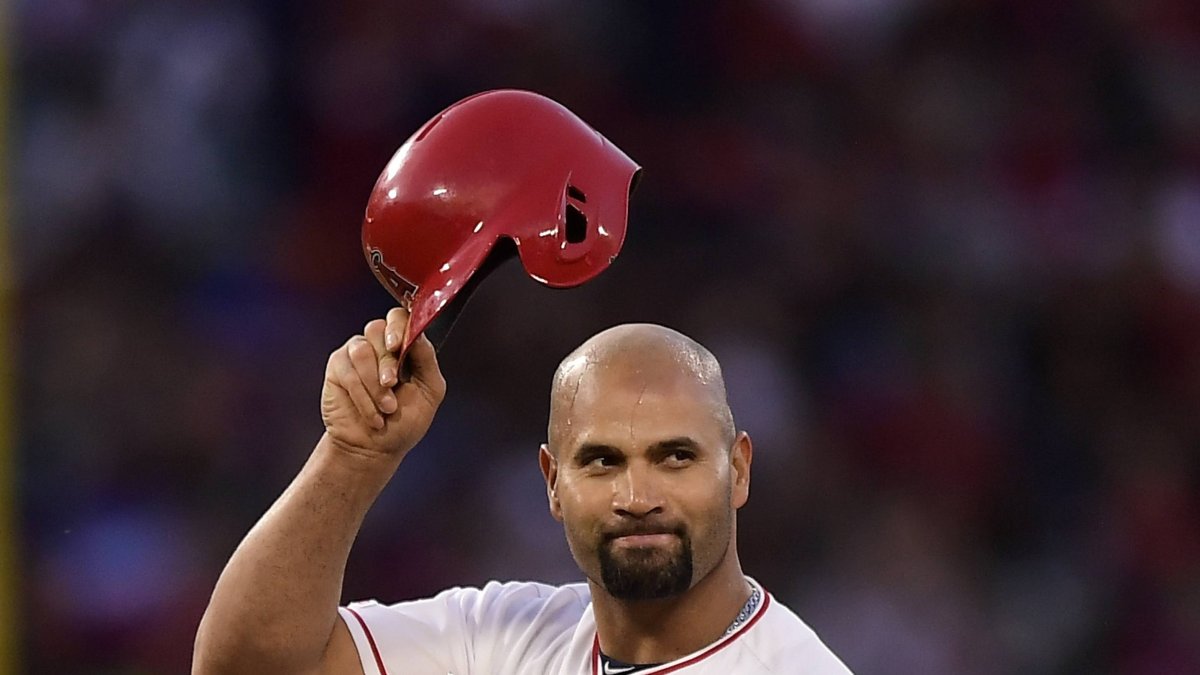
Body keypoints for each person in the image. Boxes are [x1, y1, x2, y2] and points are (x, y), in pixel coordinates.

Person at [193, 307, 852, 674]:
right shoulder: (508, 638)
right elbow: (248, 666)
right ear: (552, 483)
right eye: (600, 460)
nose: (637, 493)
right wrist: (352, 456)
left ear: (737, 470)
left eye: (675, 456)